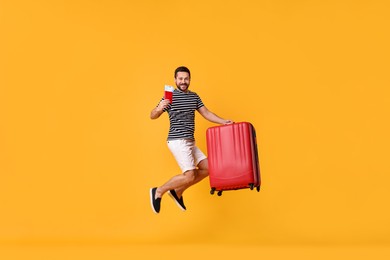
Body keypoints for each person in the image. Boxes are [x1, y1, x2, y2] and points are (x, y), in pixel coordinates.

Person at [149, 66, 233, 213]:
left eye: (186, 79)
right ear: (175, 80)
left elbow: (206, 112)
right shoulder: (170, 96)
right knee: (189, 176)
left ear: (189, 80)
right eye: (180, 78)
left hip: (190, 141)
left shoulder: (194, 96)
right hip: (177, 140)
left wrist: (223, 121)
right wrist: (159, 108)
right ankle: (158, 191)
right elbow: (152, 116)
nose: (183, 81)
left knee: (209, 168)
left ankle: (177, 192)